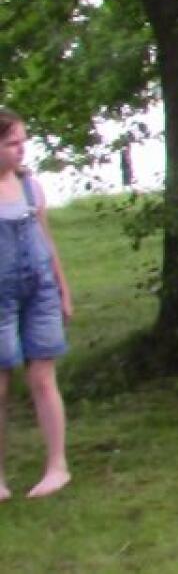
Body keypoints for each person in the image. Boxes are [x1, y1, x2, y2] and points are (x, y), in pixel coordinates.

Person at [0, 108, 74, 499]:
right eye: (12, 143)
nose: (21, 150)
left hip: (40, 290)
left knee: (43, 377)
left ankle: (57, 467)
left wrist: (63, 290)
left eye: (23, 142)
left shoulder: (31, 187)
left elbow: (46, 241)